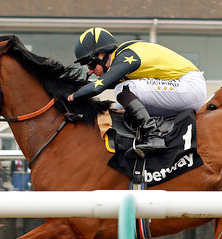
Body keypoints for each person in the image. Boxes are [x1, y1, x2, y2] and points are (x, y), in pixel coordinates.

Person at [67, 27, 207, 158]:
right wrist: (77, 87)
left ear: (102, 54)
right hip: (184, 91)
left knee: (123, 89)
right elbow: (101, 83)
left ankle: (154, 136)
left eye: (90, 64)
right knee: (118, 108)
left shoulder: (125, 55)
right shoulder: (121, 61)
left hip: (189, 86)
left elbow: (100, 86)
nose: (90, 71)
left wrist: (71, 97)